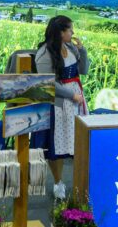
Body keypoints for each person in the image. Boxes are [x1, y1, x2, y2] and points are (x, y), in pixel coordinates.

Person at [34, 15, 88, 199]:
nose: (73, 32)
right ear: (60, 32)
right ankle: (58, 181)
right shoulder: (44, 53)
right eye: (70, 29)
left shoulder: (70, 47)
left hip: (75, 100)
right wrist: (70, 94)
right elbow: (47, 83)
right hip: (57, 103)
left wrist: (83, 51)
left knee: (70, 141)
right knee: (56, 144)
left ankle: (70, 182)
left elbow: (84, 71)